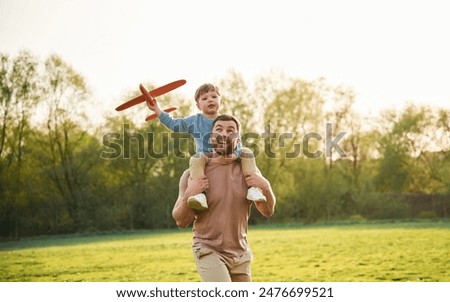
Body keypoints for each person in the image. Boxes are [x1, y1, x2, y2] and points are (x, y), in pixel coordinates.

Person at [172, 114, 276, 282]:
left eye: (230, 130)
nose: (224, 134)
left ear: (238, 139)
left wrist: (266, 187)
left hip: (241, 254)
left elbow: (267, 211)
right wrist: (190, 193)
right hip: (208, 249)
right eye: (218, 129)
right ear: (210, 136)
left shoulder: (248, 171)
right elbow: (181, 221)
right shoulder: (192, 174)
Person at [146, 83, 266, 211]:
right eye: (204, 98)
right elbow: (173, 124)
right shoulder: (194, 121)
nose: (210, 100)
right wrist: (157, 110)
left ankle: (254, 188)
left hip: (228, 155)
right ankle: (199, 195)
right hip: (206, 158)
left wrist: (234, 155)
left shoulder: (227, 121)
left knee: (247, 152)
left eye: (214, 97)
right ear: (198, 105)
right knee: (196, 158)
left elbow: (237, 140)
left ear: (220, 101)